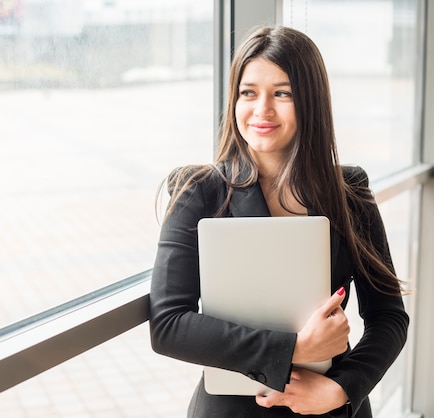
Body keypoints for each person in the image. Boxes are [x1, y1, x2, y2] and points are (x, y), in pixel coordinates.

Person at [149, 26, 409, 417]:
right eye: (248, 92)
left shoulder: (349, 190)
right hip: (233, 410)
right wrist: (294, 349)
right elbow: (169, 324)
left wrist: (341, 389)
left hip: (330, 406)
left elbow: (389, 316)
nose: (262, 110)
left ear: (310, 101)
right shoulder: (199, 190)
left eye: (282, 93)